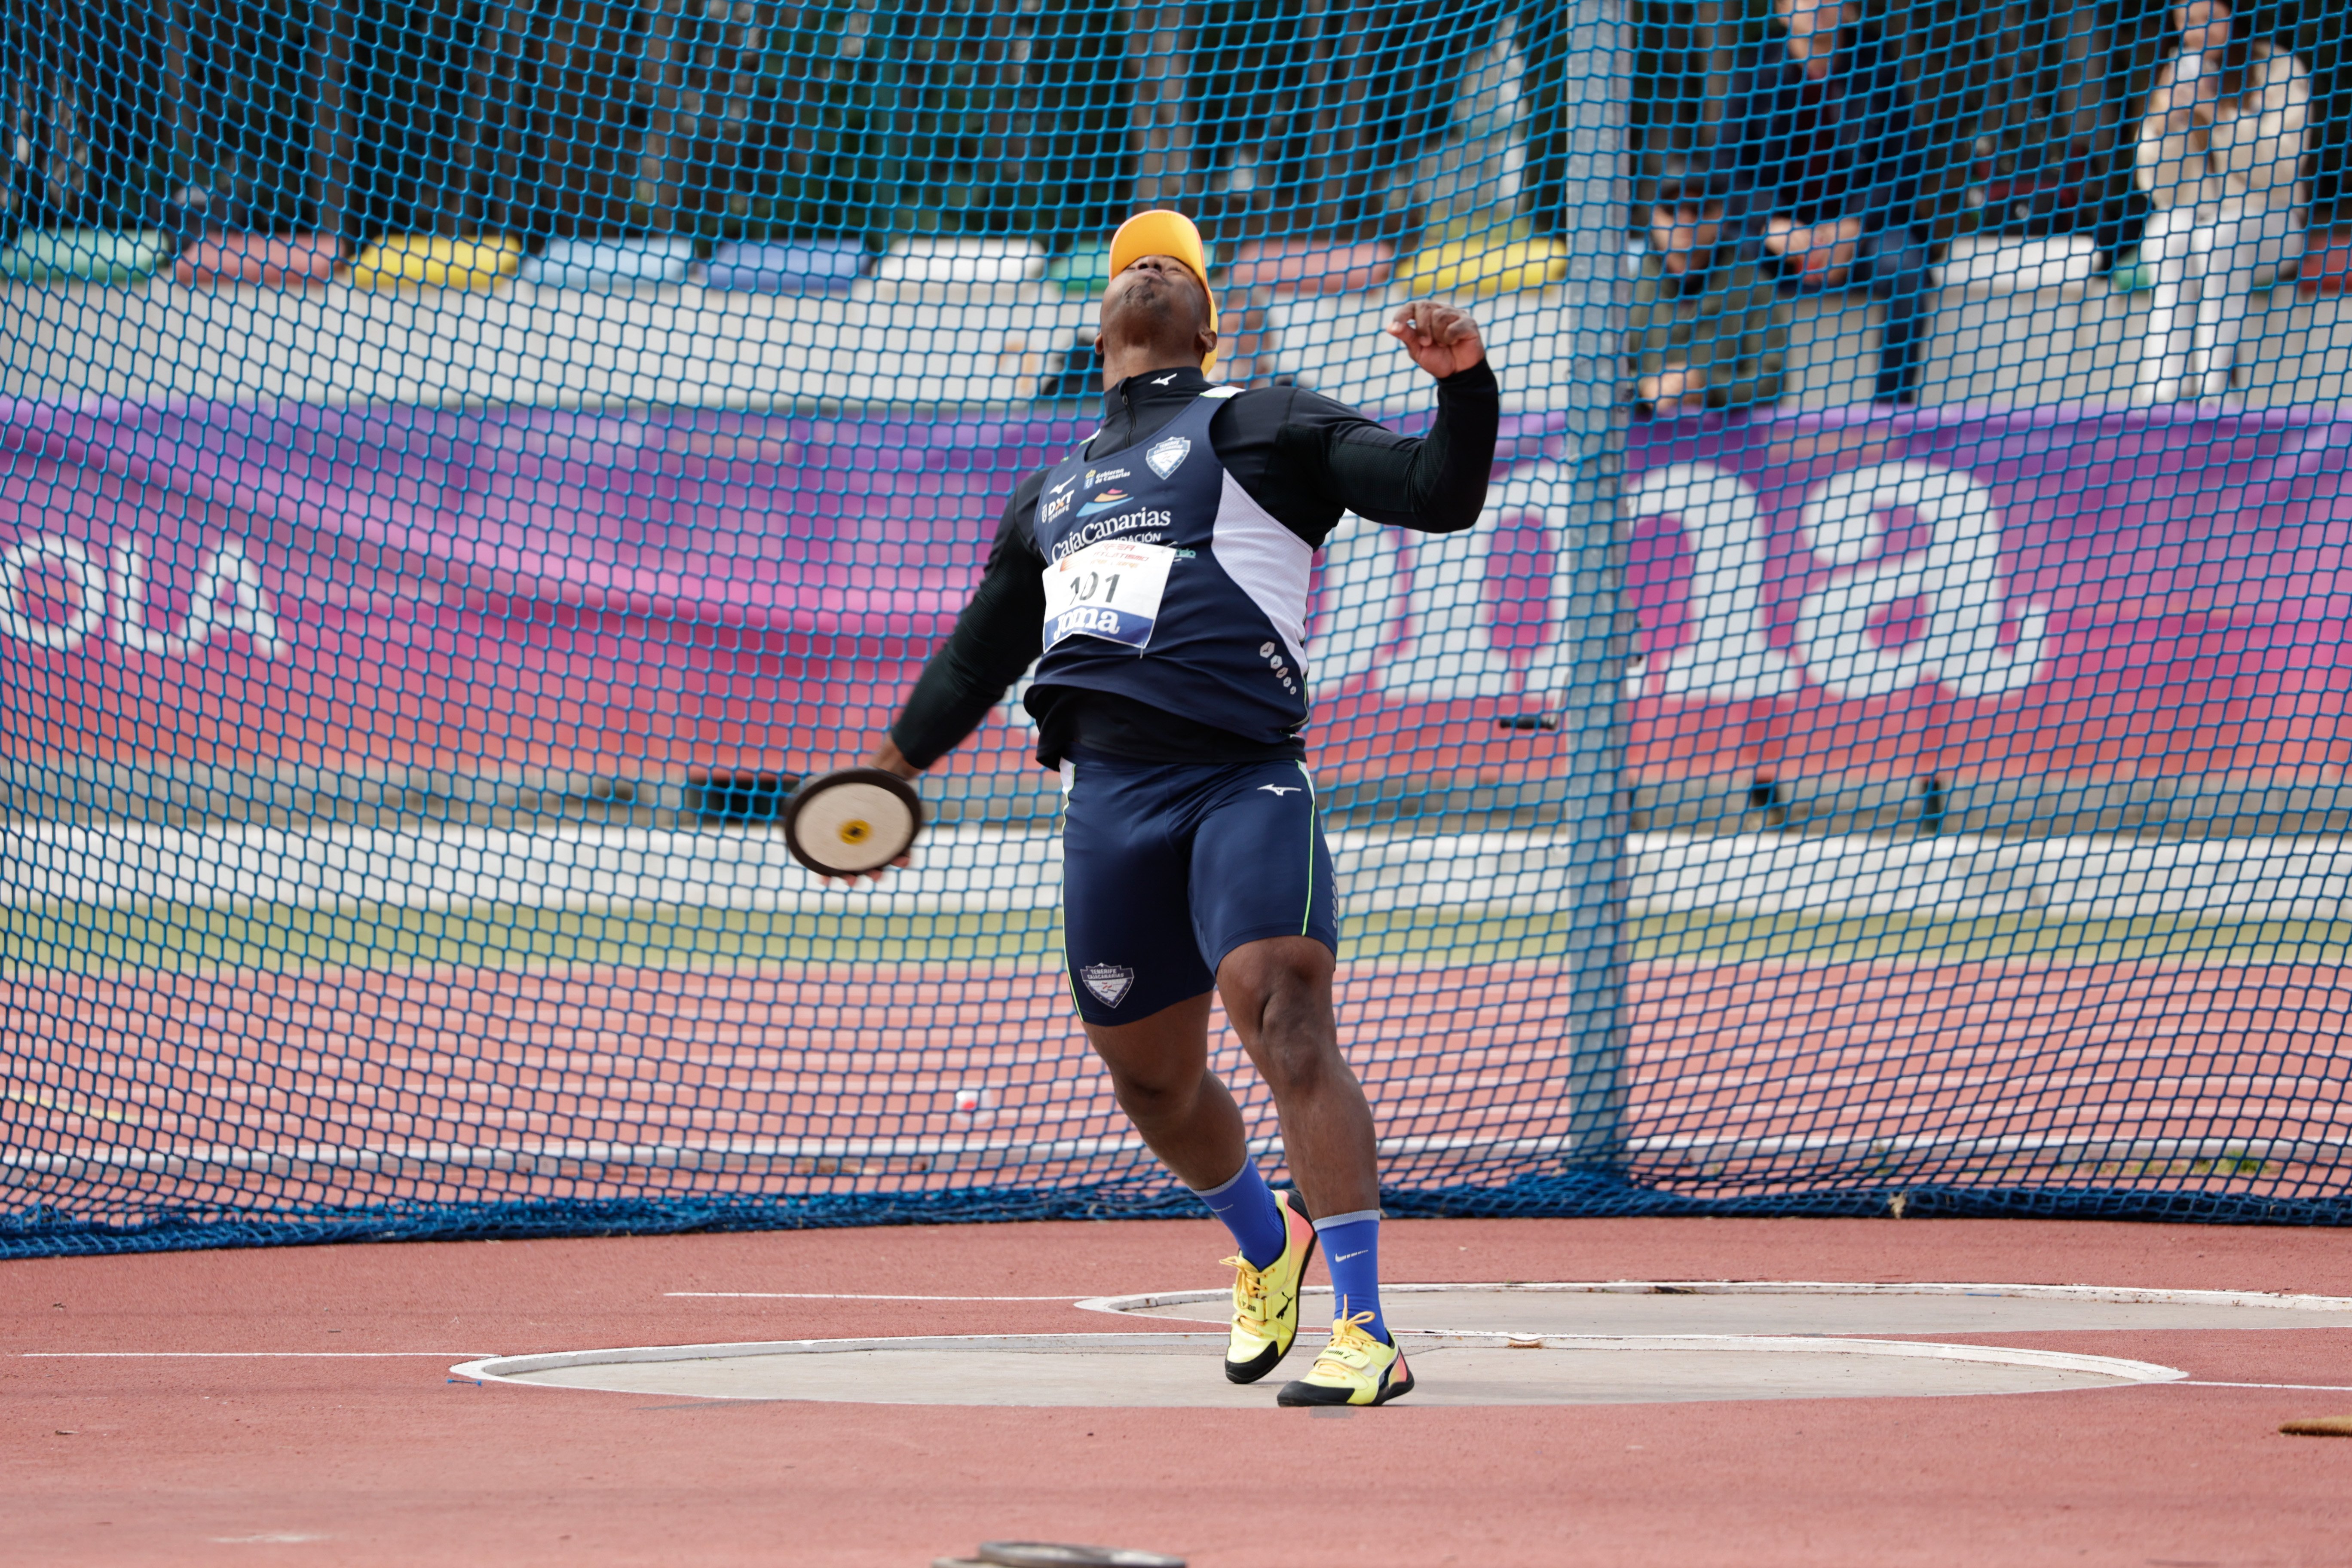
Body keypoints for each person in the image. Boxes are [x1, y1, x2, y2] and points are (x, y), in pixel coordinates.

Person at [853, 209, 1498, 1407]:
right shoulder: (1051, 493)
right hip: (1107, 802)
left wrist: (1464, 389)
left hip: (1240, 777)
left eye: (1177, 262)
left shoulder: (1266, 420)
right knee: (1150, 1083)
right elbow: (971, 665)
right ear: (1101, 329)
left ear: (1206, 323)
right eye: (1130, 261)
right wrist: (882, 775)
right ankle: (1269, 1249)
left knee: (1287, 1015)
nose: (1150, 264)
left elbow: (1435, 494)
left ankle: (1366, 1331)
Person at [1713, 0, 1930, 405]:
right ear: (1781, 11)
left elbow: (1904, 160)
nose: (1814, 5)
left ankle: (1891, 409)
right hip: (1781, 235)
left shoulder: (1876, 62)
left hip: (1861, 231)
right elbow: (1728, 164)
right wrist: (1769, 224)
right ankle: (1732, 401)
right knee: (1729, 269)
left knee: (1905, 268)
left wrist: (1855, 225)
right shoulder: (1755, 67)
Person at [2132, 0, 2310, 404]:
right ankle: (2163, 393)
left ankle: (2217, 390)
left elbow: (2280, 167)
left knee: (2220, 237)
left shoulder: (2278, 68)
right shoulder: (2173, 74)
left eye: (2210, 17)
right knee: (2166, 236)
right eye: (2187, 21)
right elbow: (2159, 190)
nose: (2200, 30)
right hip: (2196, 222)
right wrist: (2165, 126)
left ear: (2235, 15)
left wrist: (2217, 115)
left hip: (2271, 224)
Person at [1632, 174, 1790, 417]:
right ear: (1654, 217)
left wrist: (1707, 387)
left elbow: (1773, 381)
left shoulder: (1754, 286)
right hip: (1643, 445)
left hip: (1730, 447)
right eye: (1671, 209)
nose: (1685, 219)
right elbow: (1595, 376)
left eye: (1699, 209)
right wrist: (1644, 389)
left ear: (1722, 217)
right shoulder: (1626, 289)